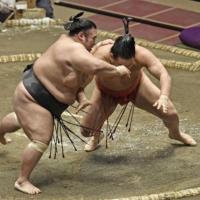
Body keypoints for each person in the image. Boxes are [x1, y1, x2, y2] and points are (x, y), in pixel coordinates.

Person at [0, 12, 131, 195]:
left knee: (21, 119)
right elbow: (95, 67)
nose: (95, 41)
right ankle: (22, 181)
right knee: (41, 138)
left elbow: (76, 80)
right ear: (80, 36)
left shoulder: (70, 45)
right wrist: (117, 70)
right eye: (93, 38)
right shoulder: (73, 49)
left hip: (35, 98)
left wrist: (82, 99)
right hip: (32, 98)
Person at [80, 17, 197, 152]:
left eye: (129, 65)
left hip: (137, 87)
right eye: (120, 66)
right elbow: (82, 79)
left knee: (171, 114)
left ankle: (175, 134)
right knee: (86, 130)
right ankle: (96, 136)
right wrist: (80, 96)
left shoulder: (141, 54)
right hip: (105, 91)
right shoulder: (98, 56)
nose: (125, 71)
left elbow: (163, 74)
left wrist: (164, 96)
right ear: (111, 56)